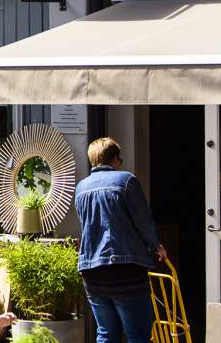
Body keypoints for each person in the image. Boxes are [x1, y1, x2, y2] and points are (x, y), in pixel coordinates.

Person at [74, 137, 165, 343]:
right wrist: (155, 246)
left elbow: (86, 225)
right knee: (137, 335)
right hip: (125, 269)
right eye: (120, 160)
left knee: (106, 334)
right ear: (115, 159)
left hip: (92, 271)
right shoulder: (126, 181)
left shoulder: (81, 188)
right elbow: (143, 220)